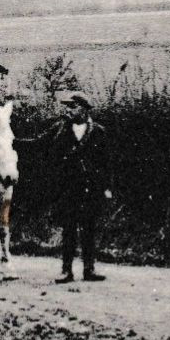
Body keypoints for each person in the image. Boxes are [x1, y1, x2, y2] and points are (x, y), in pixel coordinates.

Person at [40, 89, 114, 284]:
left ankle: (89, 270)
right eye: (67, 107)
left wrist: (106, 187)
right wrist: (11, 142)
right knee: (69, 230)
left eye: (73, 106)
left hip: (91, 188)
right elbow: (40, 144)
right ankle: (66, 271)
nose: (69, 110)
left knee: (89, 229)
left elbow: (106, 163)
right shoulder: (60, 129)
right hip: (69, 188)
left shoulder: (98, 131)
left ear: (84, 109)